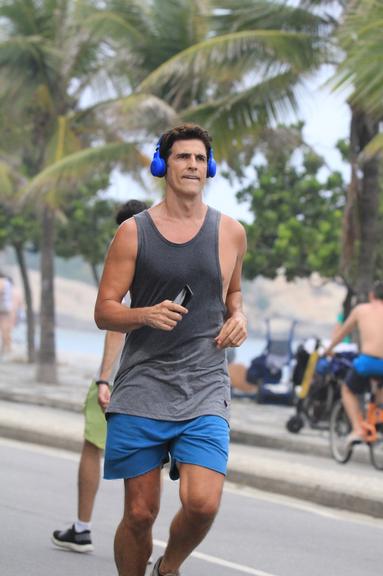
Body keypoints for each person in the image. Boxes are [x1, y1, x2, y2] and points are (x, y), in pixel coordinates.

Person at [94, 123, 247, 576]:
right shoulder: (133, 233)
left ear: (210, 167)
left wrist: (239, 317)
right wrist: (143, 315)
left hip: (204, 385)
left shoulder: (231, 233)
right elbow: (104, 311)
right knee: (140, 514)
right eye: (183, 157)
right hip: (142, 385)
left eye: (200, 159)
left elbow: (234, 294)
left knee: (202, 503)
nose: (193, 166)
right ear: (162, 165)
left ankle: (169, 567)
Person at [52, 199, 148, 553]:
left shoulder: (128, 255)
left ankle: (82, 527)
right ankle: (136, 537)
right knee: (141, 459)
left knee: (94, 448)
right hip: (154, 376)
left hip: (122, 376)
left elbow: (116, 325)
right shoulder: (159, 258)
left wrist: (104, 377)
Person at [323, 281, 383, 445]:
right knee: (379, 389)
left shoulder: (361, 310)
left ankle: (357, 429)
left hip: (367, 362)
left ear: (372, 295)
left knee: (348, 390)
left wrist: (328, 349)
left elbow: (342, 333)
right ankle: (376, 419)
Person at [0, 271, 14, 355]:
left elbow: (0, 292)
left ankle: (6, 348)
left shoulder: (1, 281)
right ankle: (7, 347)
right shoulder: (7, 282)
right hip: (7, 306)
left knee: (4, 327)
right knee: (6, 327)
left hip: (2, 306)